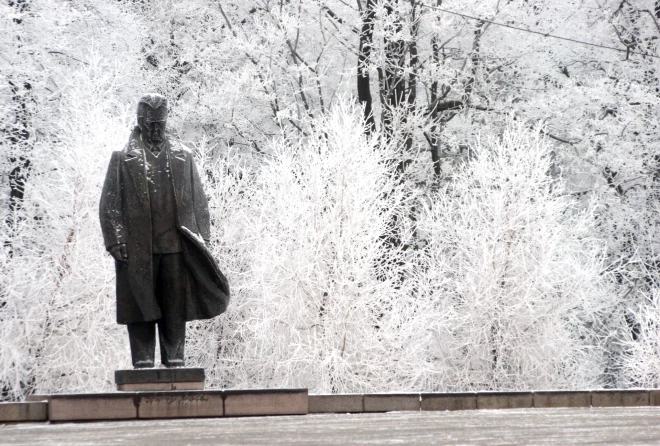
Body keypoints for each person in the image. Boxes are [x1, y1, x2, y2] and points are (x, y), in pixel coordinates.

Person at [99, 93, 229, 368]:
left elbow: (198, 200)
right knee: (140, 304)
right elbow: (109, 203)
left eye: (160, 123)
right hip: (136, 248)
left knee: (174, 307)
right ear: (139, 121)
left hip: (176, 246)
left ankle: (175, 357)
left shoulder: (183, 156)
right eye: (150, 123)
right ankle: (143, 359)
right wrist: (115, 241)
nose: (156, 129)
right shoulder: (123, 159)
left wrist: (203, 239)